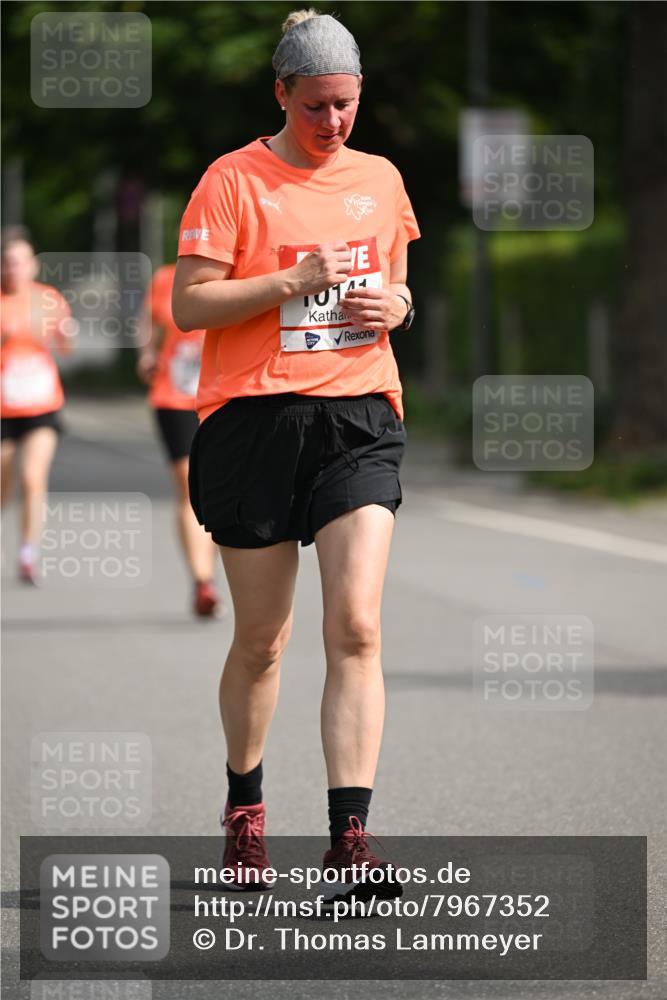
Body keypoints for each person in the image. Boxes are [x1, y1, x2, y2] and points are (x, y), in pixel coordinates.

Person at [173, 8, 420, 906]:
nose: (333, 123)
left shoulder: (381, 177)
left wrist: (398, 308)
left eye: (346, 105)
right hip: (253, 424)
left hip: (357, 414)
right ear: (282, 94)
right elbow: (190, 308)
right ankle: (245, 811)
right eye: (316, 106)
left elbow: (392, 283)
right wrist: (287, 282)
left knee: (355, 625)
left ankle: (350, 840)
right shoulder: (233, 180)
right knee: (263, 641)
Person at [137, 263, 223, 618]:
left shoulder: (240, 273)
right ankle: (202, 581)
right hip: (175, 398)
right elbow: (147, 324)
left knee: (219, 491)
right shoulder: (165, 278)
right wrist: (146, 353)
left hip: (225, 397)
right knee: (190, 488)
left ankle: (213, 573)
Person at [1, 230, 74, 584]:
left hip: (41, 403)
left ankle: (29, 552)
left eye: (19, 261)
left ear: (33, 265)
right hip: (3, 407)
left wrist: (68, 332)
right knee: (3, 483)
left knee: (32, 476)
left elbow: (66, 349)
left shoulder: (49, 299)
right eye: (8, 262)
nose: (14, 269)